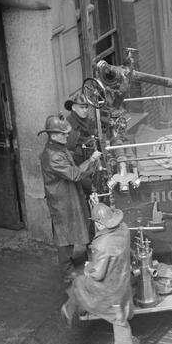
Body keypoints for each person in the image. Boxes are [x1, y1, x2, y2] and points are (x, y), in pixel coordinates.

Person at [60, 202, 140, 344]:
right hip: (123, 282)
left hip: (108, 288)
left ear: (98, 224)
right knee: (120, 317)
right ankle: (71, 310)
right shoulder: (124, 229)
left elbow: (98, 274)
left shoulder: (102, 244)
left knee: (79, 283)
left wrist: (89, 268)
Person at [40, 114, 102, 285]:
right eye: (64, 134)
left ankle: (72, 263)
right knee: (64, 235)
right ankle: (67, 273)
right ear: (53, 135)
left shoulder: (58, 148)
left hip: (67, 195)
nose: (67, 136)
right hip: (61, 200)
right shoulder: (53, 156)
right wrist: (92, 160)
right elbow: (74, 174)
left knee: (69, 230)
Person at [64, 90, 96, 196]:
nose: (85, 110)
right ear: (73, 108)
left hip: (89, 161)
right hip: (76, 167)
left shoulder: (89, 122)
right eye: (81, 107)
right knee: (91, 188)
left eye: (86, 107)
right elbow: (68, 154)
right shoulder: (68, 125)